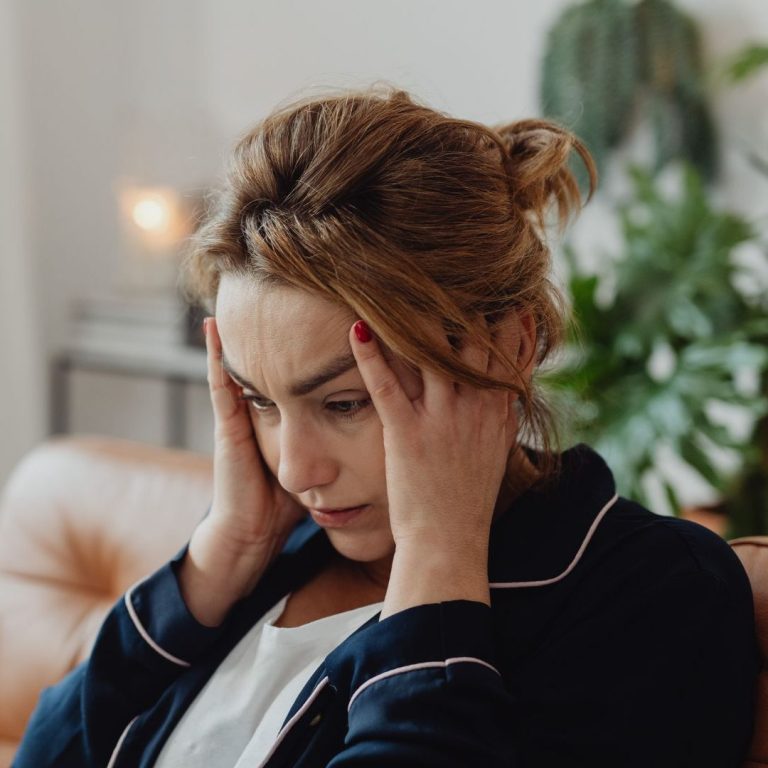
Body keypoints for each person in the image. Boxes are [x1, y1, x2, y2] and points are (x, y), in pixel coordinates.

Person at [14, 86, 758, 768]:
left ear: (508, 348)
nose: (295, 470)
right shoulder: (272, 557)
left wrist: (439, 554)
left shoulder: (650, 594)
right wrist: (220, 556)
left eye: (344, 403)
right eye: (260, 401)